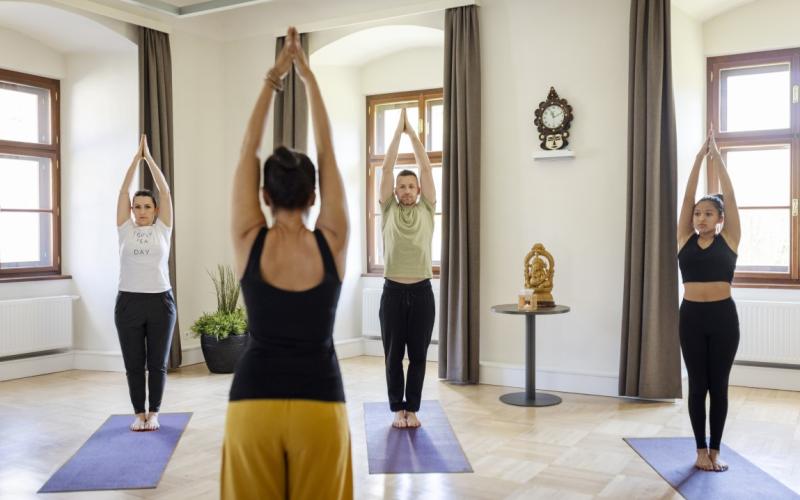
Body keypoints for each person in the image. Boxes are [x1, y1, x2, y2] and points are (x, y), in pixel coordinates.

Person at [220, 27, 352, 499]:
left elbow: (246, 152)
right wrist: (308, 78)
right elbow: (329, 153)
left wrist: (273, 78)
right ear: (314, 195)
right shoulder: (332, 242)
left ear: (264, 196)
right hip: (321, 405)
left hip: (253, 404)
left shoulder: (247, 239)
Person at [677, 127, 741, 472]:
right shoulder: (684, 238)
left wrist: (717, 158)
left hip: (723, 319)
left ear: (720, 220)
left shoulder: (729, 240)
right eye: (698, 213)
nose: (700, 217)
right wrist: (697, 160)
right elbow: (686, 198)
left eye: (708, 214)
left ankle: (716, 450)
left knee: (719, 385)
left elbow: (730, 198)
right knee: (698, 384)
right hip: (690, 318)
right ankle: (699, 451)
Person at [378, 108, 436, 429]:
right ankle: (395, 409)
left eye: (411, 186)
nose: (407, 190)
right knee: (392, 357)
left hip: (422, 292)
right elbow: (386, 168)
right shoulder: (388, 210)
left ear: (419, 190)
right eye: (402, 187)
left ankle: (411, 410)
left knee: (418, 356)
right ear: (396, 192)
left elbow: (426, 167)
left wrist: (412, 134)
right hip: (392, 292)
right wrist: (395, 134)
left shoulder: (428, 208)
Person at [115, 134, 176, 432]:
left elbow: (165, 191)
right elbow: (122, 190)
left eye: (146, 207)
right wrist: (133, 160)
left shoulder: (163, 230)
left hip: (160, 302)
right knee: (134, 364)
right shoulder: (124, 229)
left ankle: (155, 412)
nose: (141, 211)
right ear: (131, 210)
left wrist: (148, 159)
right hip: (128, 303)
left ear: (155, 211)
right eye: (137, 207)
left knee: (157, 364)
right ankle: (139, 413)